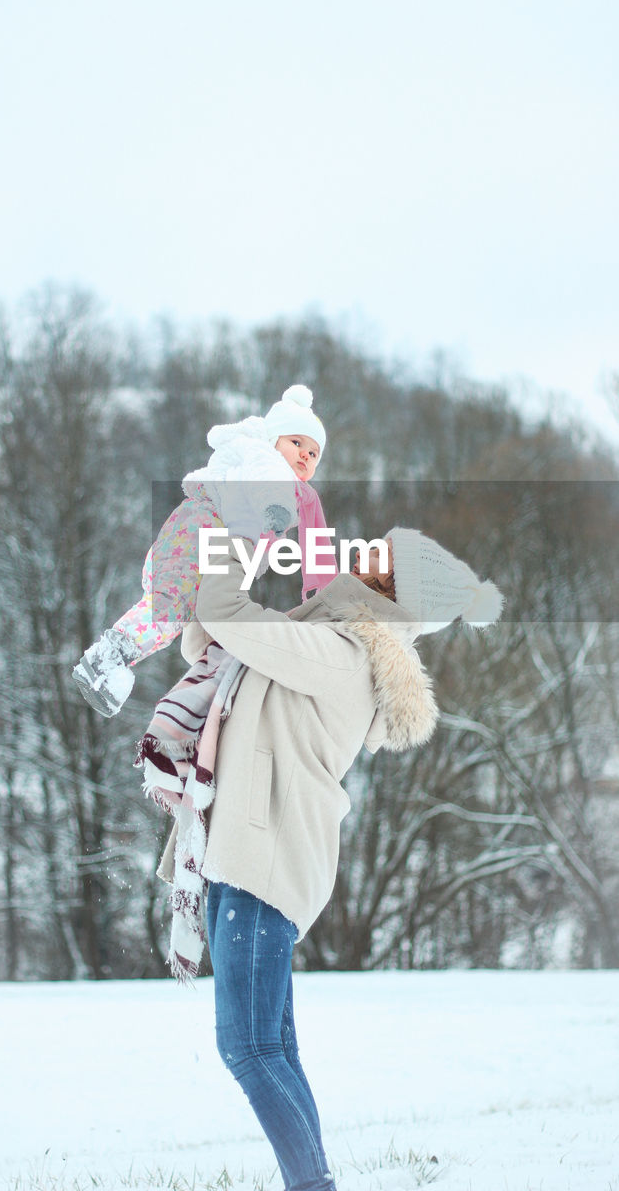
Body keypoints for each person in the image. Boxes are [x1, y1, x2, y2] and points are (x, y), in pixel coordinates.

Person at [141, 522, 503, 1191]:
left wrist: (234, 536)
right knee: (272, 1047)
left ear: (385, 587)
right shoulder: (322, 641)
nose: (358, 557)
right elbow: (216, 637)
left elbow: (227, 614)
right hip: (243, 854)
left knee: (246, 1047)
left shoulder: (340, 654)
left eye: (376, 560)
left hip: (264, 861)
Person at [71, 384, 338, 718]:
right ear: (273, 440)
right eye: (296, 443)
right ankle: (106, 659)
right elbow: (267, 484)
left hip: (199, 536)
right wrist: (276, 511)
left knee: (195, 622)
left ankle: (203, 692)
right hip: (201, 528)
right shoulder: (264, 459)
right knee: (170, 608)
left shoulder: (291, 485)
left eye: (313, 453)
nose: (304, 455)